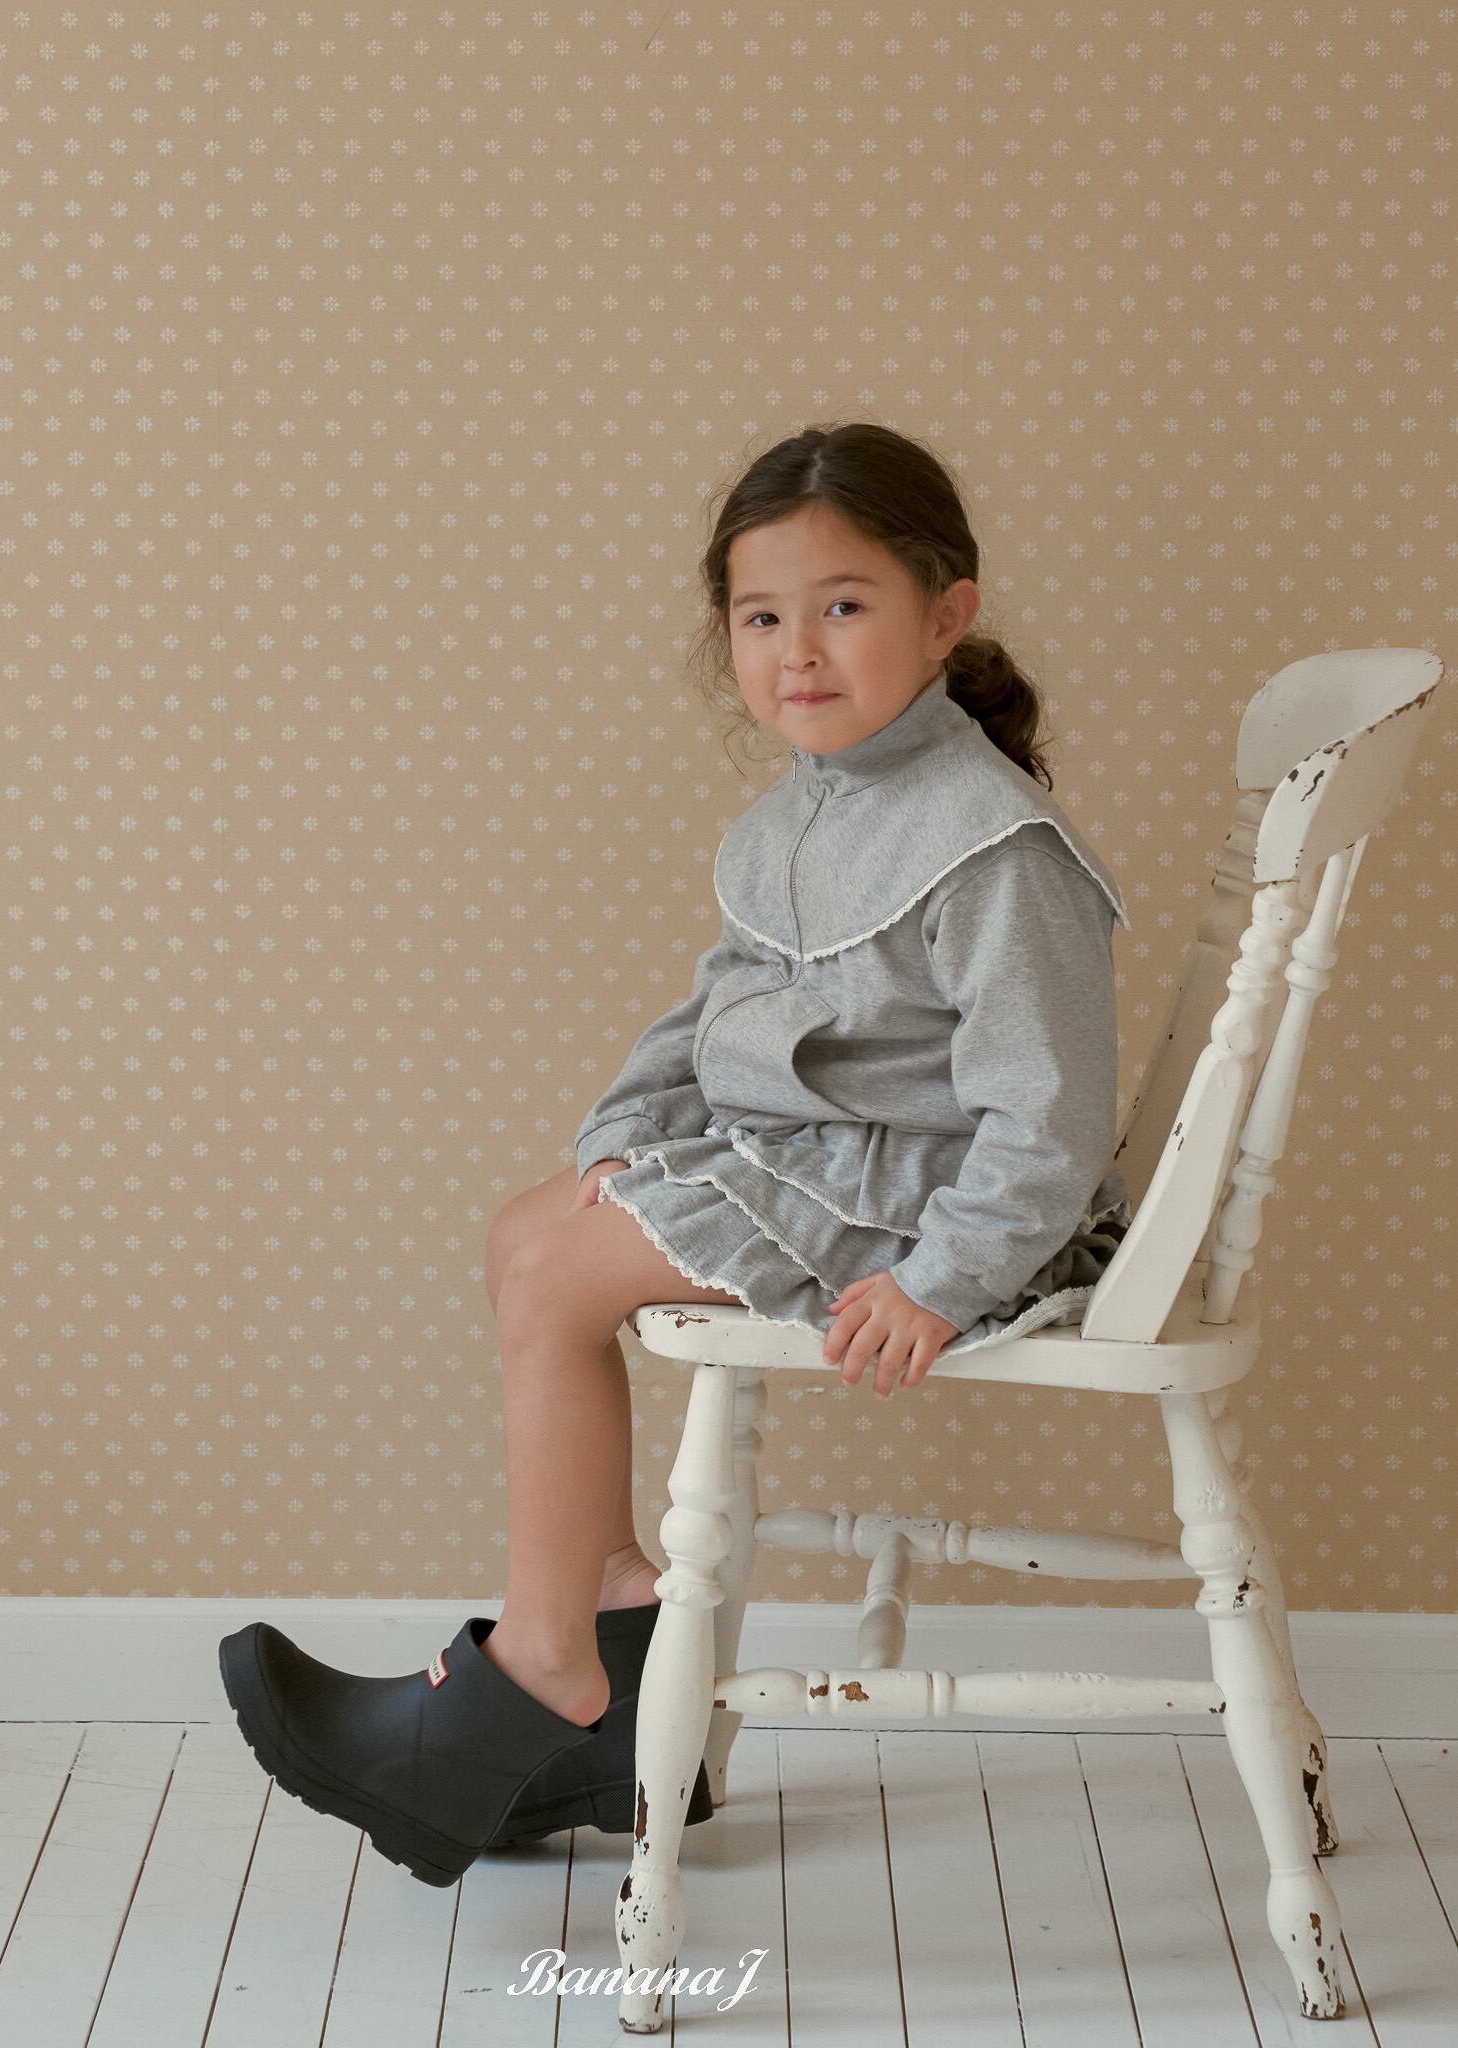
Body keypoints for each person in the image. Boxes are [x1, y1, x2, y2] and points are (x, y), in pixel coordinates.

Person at [219, 420, 1133, 1889]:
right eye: (760, 618)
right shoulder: (809, 808)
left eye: (844, 605)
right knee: (527, 1233)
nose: (798, 652)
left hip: (934, 1210)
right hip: (826, 1162)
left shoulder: (992, 848)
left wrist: (946, 1280)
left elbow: (1051, 1118)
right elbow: (717, 1006)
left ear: (944, 613)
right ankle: (615, 1617)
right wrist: (624, 1128)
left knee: (557, 1281)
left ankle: (539, 1669)